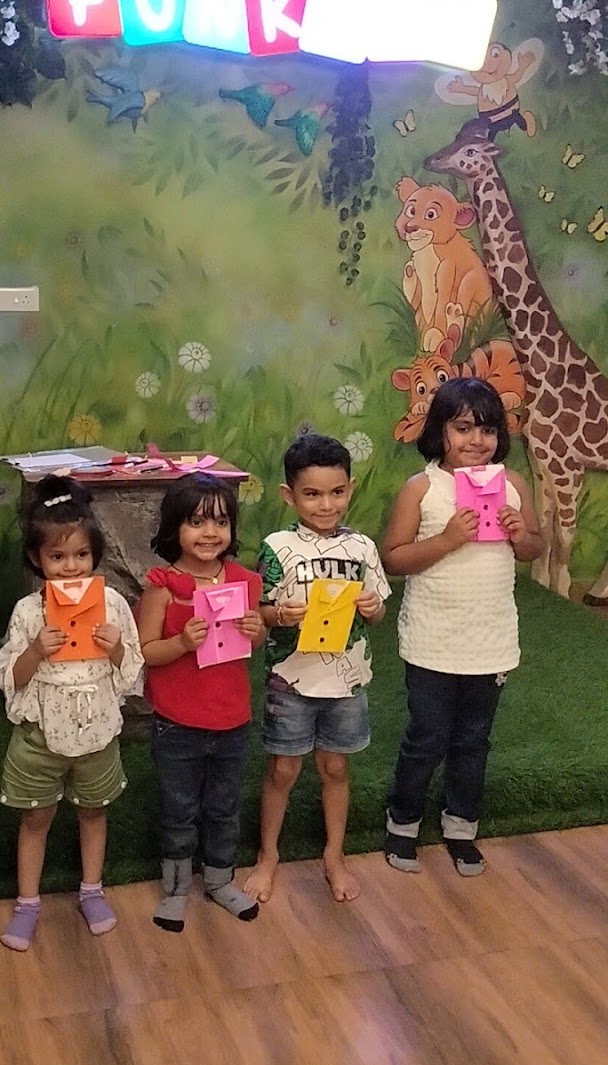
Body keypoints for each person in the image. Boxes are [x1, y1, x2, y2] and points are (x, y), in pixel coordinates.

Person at [381, 376, 543, 876]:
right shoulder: (423, 488)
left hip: (490, 640)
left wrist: (521, 536)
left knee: (473, 740)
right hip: (432, 639)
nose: (477, 440)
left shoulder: (512, 484)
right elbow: (393, 558)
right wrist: (447, 540)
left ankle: (461, 827)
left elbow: (535, 548)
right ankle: (402, 822)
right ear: (440, 432)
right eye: (464, 427)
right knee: (426, 737)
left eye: (488, 429)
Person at [0, 475, 143, 948]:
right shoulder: (27, 611)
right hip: (40, 735)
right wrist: (37, 650)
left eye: (81, 555)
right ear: (37, 558)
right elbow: (10, 677)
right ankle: (27, 903)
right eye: (57, 557)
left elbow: (133, 670)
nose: (70, 567)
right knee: (35, 818)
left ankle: (92, 891)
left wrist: (116, 648)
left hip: (97, 731)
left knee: (93, 813)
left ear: (95, 555)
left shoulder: (112, 604)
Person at [244, 434, 389, 906]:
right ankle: (268, 855)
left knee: (335, 766)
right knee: (283, 769)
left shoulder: (363, 547)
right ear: (288, 495)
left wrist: (373, 608)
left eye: (337, 492)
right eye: (312, 494)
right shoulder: (276, 547)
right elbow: (259, 613)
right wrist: (280, 615)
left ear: (350, 488)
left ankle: (334, 855)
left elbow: (378, 612)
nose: (326, 505)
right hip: (291, 679)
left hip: (347, 680)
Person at [137, 473, 266, 932]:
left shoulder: (244, 581)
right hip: (178, 723)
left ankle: (219, 880)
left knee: (224, 806)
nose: (210, 533)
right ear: (174, 527)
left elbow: (254, 638)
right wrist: (180, 643)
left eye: (221, 522)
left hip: (232, 719)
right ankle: (175, 890)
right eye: (196, 522)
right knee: (179, 809)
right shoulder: (163, 586)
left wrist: (257, 629)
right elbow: (146, 651)